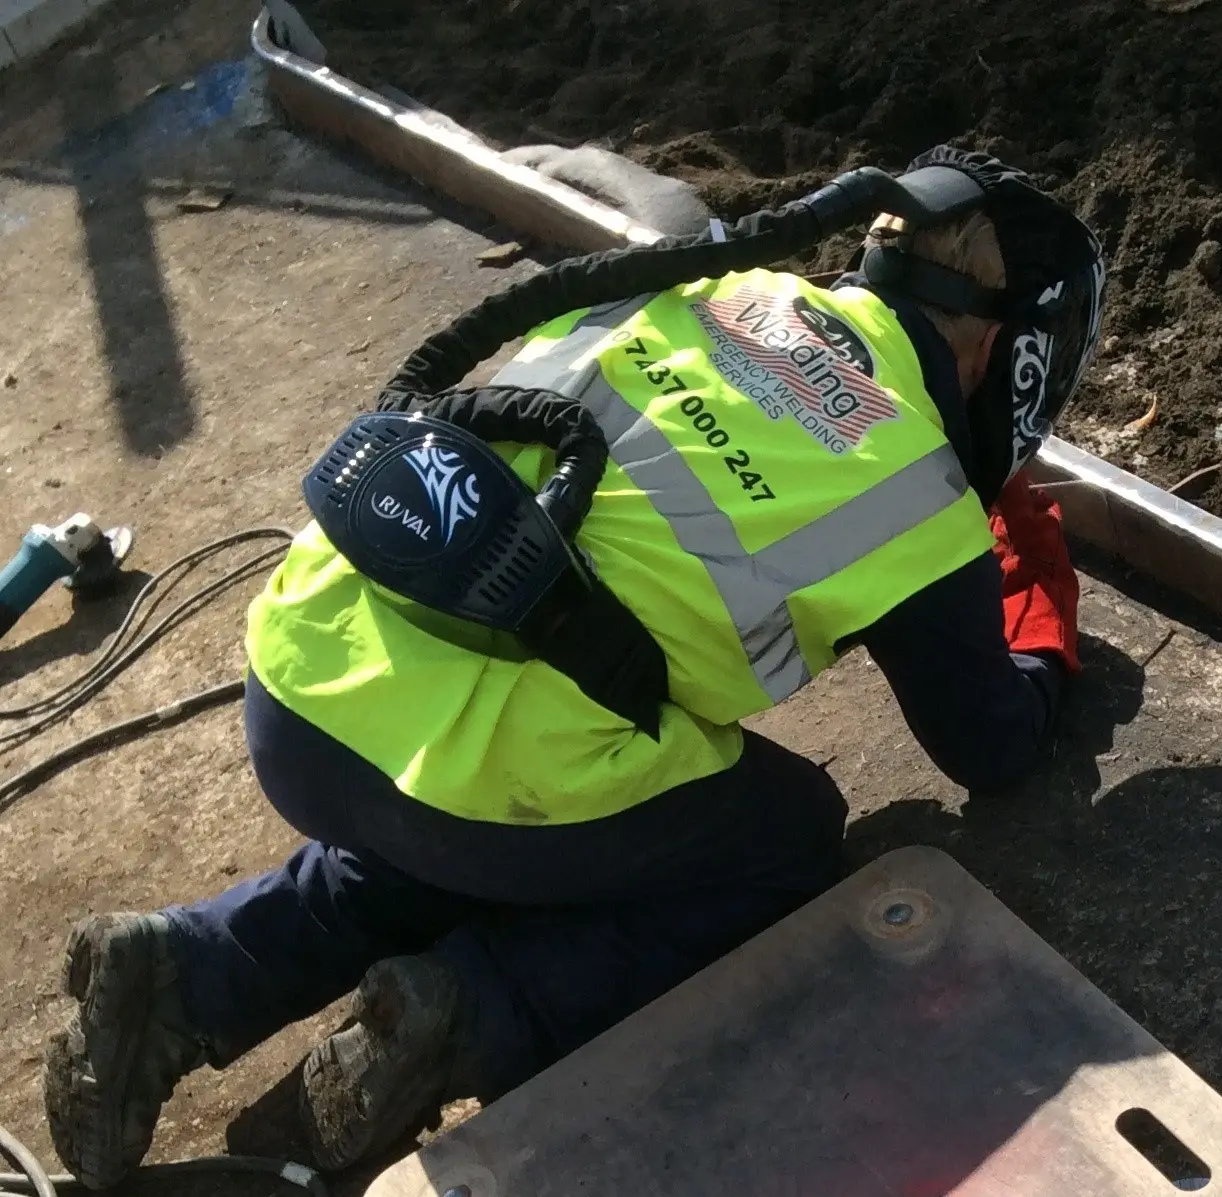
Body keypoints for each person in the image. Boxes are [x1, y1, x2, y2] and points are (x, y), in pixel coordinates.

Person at [43, 145, 1106, 1188]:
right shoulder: (913, 480)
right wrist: (1035, 618)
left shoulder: (700, 285)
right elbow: (993, 750)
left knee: (453, 798)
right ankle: (478, 1008)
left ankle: (189, 969)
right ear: (1011, 350)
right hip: (490, 783)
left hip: (298, 684)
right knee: (782, 834)